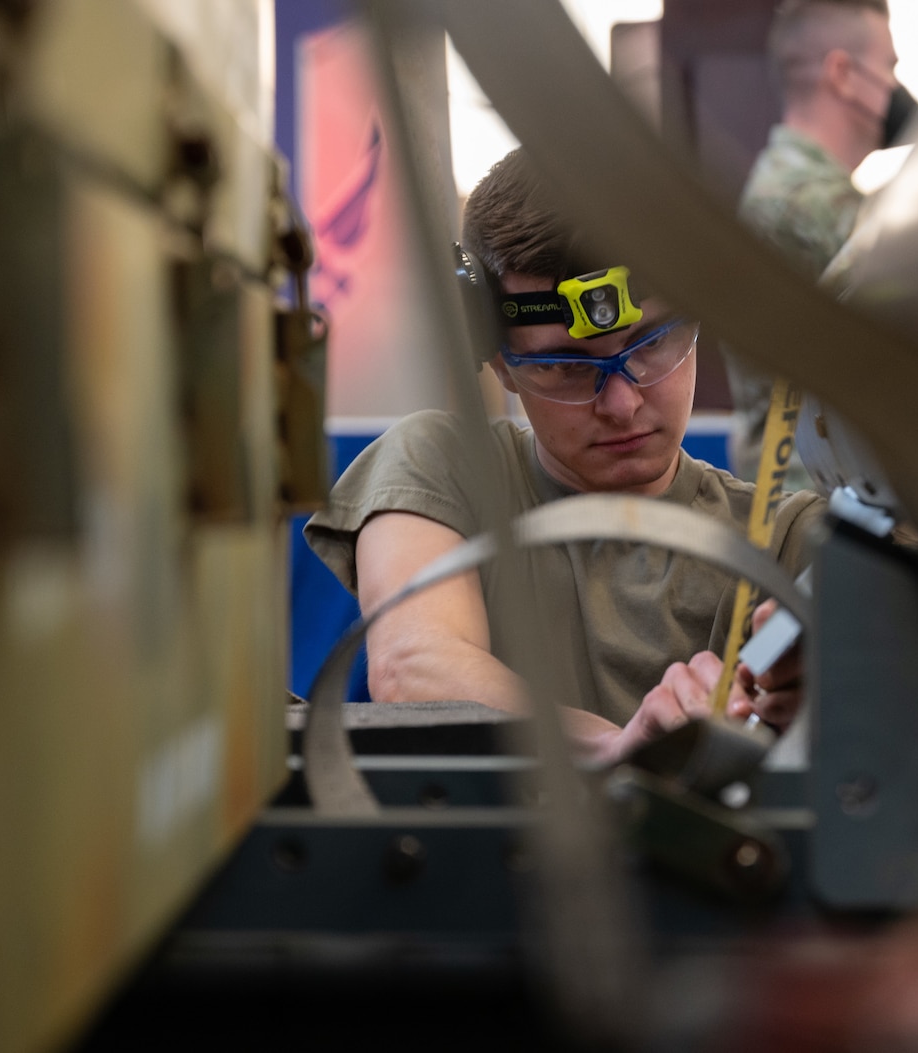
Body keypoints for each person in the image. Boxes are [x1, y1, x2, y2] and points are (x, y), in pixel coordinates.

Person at [304, 150, 825, 767]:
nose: (623, 403)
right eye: (567, 366)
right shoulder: (445, 466)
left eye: (651, 344)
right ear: (501, 364)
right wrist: (617, 749)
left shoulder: (786, 537)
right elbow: (416, 668)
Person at [726, 0, 918, 482]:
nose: (894, 85)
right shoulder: (806, 208)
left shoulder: (792, 191)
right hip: (810, 500)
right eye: (888, 66)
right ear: (843, 73)